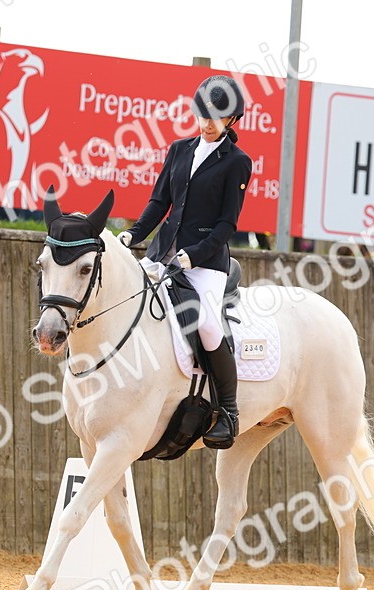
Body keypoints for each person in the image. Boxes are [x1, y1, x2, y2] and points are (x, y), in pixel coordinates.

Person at [118, 76, 253, 449]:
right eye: (204, 114)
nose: (208, 123)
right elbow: (159, 202)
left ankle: (228, 411)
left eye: (217, 118)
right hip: (163, 254)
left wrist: (195, 254)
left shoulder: (238, 163)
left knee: (209, 326)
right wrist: (135, 234)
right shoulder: (180, 149)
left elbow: (228, 223)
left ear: (231, 121)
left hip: (205, 263)